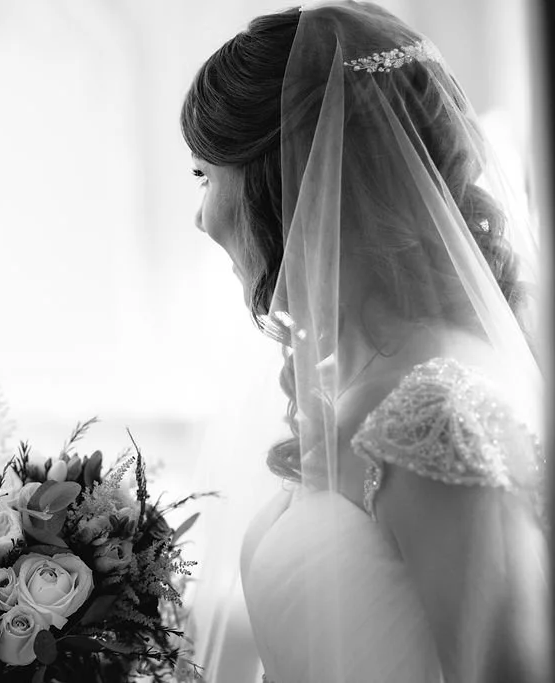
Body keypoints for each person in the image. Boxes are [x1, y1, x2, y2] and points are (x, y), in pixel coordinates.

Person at [180, 2, 549, 682]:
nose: (201, 219)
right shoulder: (376, 382)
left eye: (205, 175)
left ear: (283, 177)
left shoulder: (432, 410)